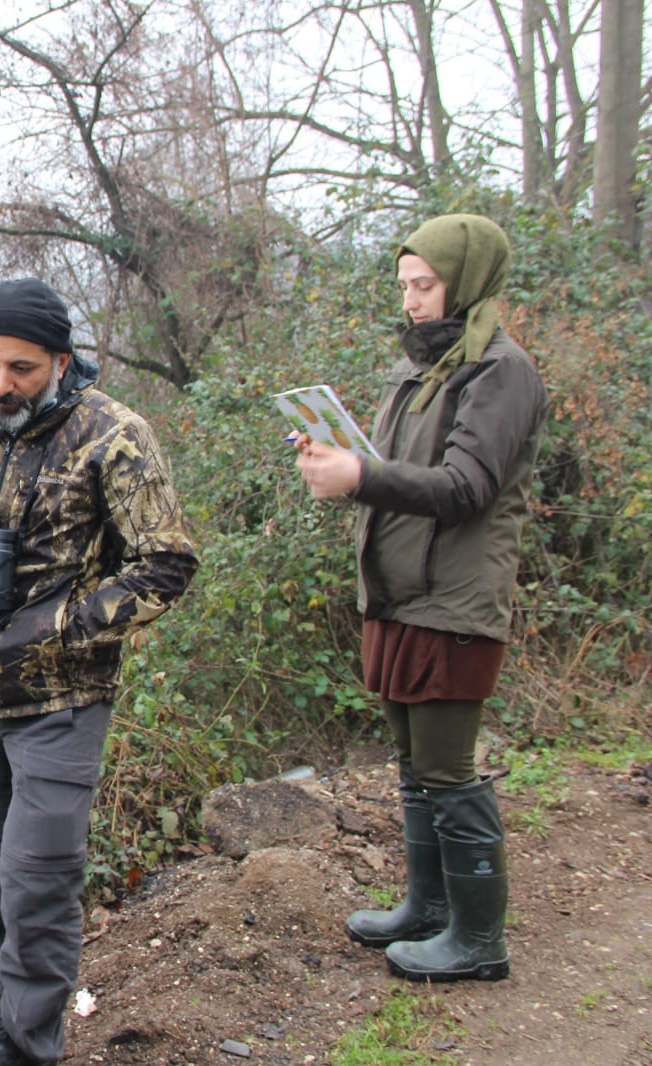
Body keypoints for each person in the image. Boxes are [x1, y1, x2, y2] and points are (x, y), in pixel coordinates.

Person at [0, 278, 198, 1066]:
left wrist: (54, 631)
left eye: (21, 368)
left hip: (64, 701)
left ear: (61, 361)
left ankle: (26, 1044)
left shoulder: (113, 436)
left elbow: (166, 566)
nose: (0, 384)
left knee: (39, 877)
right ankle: (4, 1014)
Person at [295, 213, 547, 982]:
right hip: (399, 593)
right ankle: (428, 909)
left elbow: (467, 487)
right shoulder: (422, 370)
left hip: (455, 600)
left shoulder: (501, 371)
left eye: (425, 284)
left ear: (466, 280)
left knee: (447, 768)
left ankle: (478, 941)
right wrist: (338, 463)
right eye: (404, 284)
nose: (410, 300)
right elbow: (395, 474)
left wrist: (362, 477)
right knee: (412, 765)